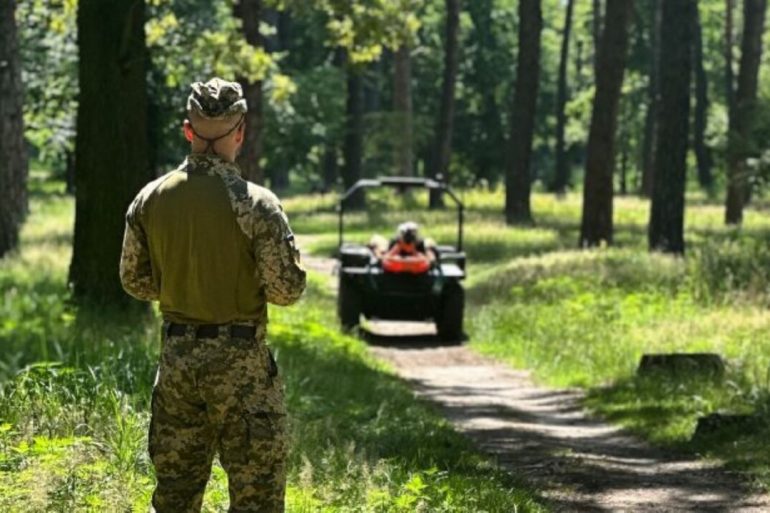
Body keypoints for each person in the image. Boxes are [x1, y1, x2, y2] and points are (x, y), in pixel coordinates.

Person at [119, 77, 306, 513]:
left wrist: (185, 282)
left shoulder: (150, 199)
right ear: (240, 131)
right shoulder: (257, 204)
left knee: (176, 498)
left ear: (189, 130)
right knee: (256, 497)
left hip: (179, 365)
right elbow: (286, 290)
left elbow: (135, 281)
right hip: (241, 368)